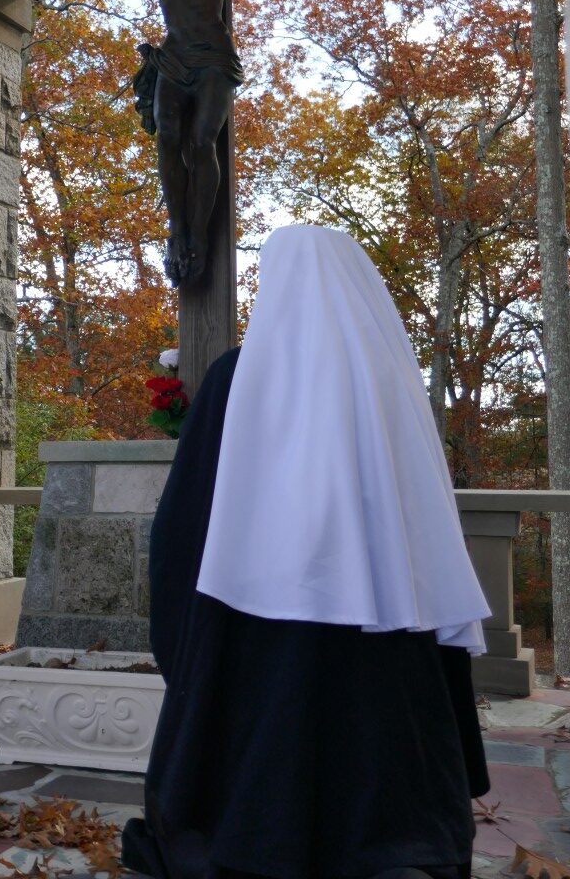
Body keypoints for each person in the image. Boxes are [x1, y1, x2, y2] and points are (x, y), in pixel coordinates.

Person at [121, 225, 492, 879]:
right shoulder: (389, 379)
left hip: (257, 633)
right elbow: (422, 514)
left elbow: (188, 516)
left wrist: (185, 630)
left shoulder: (238, 377)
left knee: (267, 752)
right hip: (390, 621)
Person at [36, 0, 370, 286]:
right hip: (173, 57)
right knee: (167, 137)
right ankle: (177, 231)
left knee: (200, 141)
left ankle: (198, 235)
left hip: (213, 57)